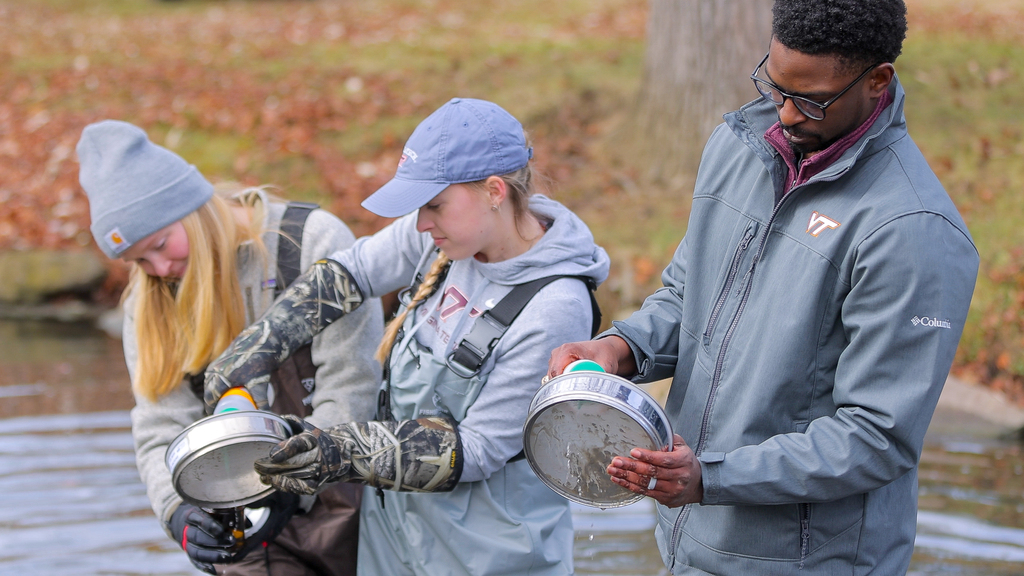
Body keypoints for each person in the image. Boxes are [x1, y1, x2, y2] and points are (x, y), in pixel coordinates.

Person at [548, 1, 979, 574]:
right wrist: (622, 349)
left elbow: (877, 436)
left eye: (812, 100)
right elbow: (688, 292)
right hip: (689, 538)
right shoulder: (739, 147)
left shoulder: (912, 231)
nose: (786, 114)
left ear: (877, 81)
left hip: (805, 561)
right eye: (774, 86)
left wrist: (712, 477)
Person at [201, 97, 610, 575]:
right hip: (395, 541)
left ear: (495, 190)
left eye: (434, 205)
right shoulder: (445, 236)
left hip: (489, 553)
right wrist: (259, 345)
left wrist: (341, 452)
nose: (419, 223)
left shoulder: (555, 307)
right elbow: (350, 273)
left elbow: (476, 449)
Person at [76, 120, 384, 576]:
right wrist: (179, 515)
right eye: (139, 260)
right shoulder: (147, 302)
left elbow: (353, 384)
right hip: (244, 535)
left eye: (162, 244)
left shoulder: (312, 243)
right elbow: (160, 424)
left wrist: (290, 484)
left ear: (194, 208)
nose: (159, 268)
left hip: (353, 507)